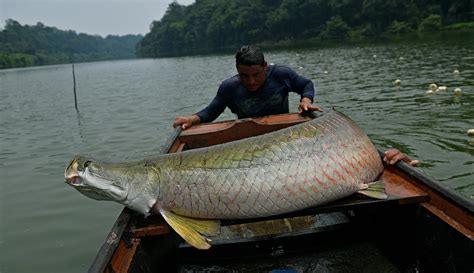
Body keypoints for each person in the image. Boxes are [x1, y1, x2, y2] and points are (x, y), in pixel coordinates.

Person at [173, 45, 418, 166]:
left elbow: (306, 85)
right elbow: (212, 111)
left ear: (265, 67)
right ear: (237, 72)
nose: (251, 81)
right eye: (244, 76)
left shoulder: (281, 74)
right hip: (247, 140)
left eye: (256, 75)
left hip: (285, 134)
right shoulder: (229, 87)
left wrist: (305, 101)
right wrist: (192, 120)